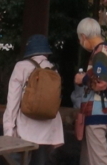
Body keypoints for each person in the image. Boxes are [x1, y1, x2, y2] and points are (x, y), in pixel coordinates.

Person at [4, 34, 64, 165]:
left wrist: (9, 128)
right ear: (46, 53)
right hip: (49, 128)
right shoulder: (54, 69)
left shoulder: (21, 67)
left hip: (26, 126)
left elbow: (13, 99)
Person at [74, 18, 107, 165]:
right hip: (95, 111)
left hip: (97, 111)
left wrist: (83, 79)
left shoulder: (100, 53)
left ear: (83, 36)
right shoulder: (104, 50)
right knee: (89, 160)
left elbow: (101, 83)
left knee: (99, 159)